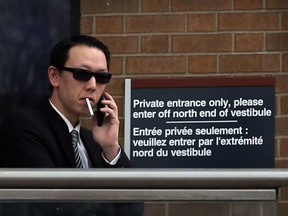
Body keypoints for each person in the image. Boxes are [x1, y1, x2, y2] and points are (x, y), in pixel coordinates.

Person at [0, 35, 144, 215]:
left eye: (101, 77)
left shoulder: (93, 141)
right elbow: (53, 205)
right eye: (82, 74)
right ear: (54, 76)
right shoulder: (24, 127)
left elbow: (134, 208)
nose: (92, 85)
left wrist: (111, 149)